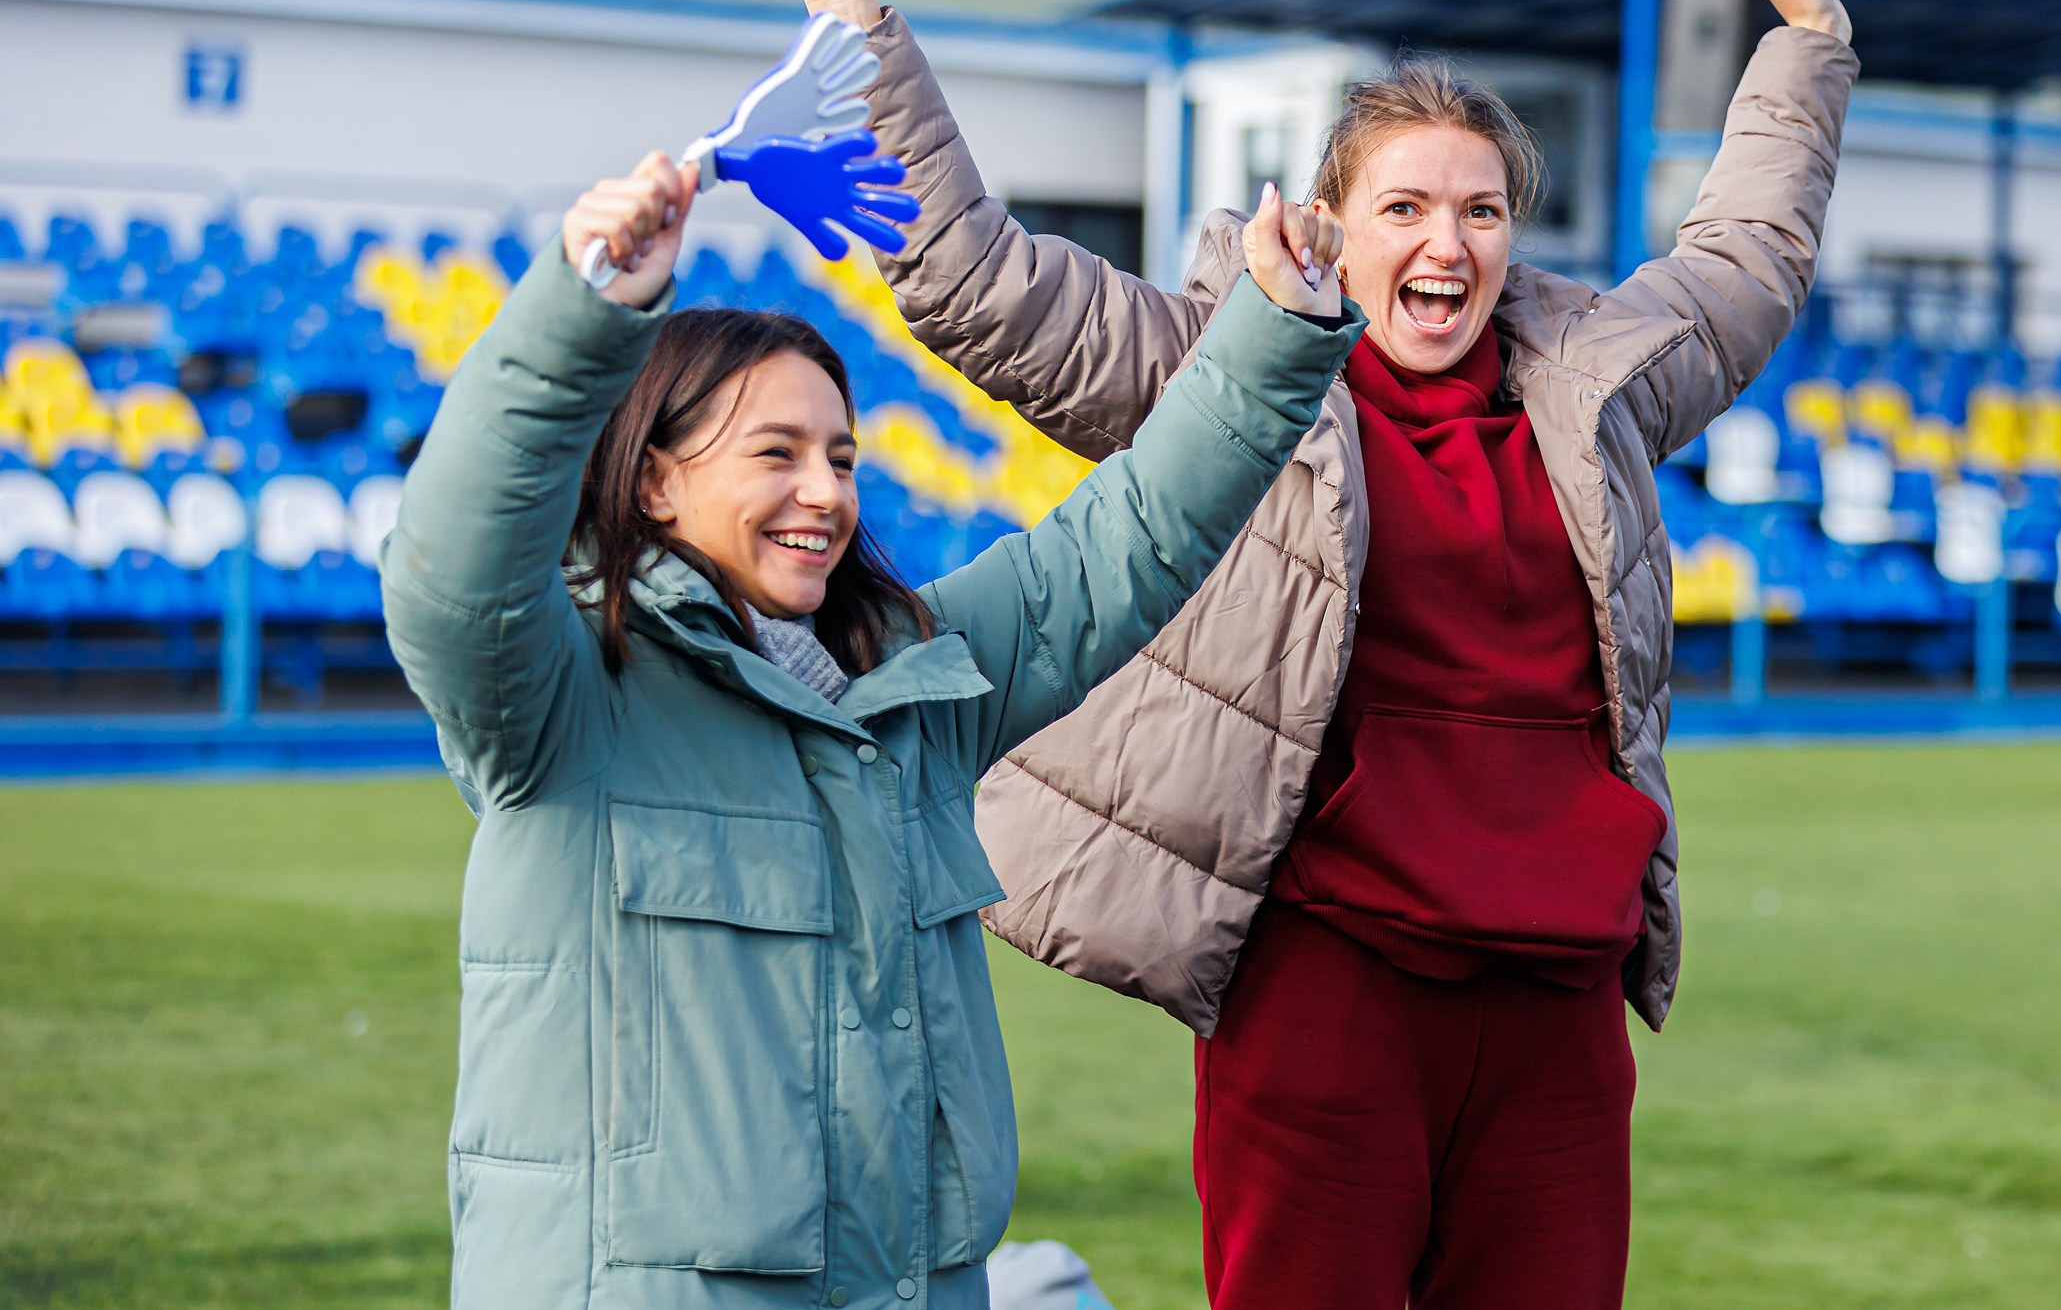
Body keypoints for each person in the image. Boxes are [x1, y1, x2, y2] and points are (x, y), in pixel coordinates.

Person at [778, 0, 1856, 1310]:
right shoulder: (1228, 370)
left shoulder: (1597, 383)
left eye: (1481, 210)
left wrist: (1805, 45)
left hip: (1555, 1002)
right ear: (1335, 225)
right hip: (1325, 986)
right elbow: (980, 278)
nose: (1445, 242)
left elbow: (1749, 257)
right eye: (1405, 206)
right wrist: (856, 23)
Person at [380, 144, 1358, 1310]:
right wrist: (580, 314)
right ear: (652, 484)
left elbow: (1130, 536)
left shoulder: (919, 679)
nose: (826, 491)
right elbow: (454, 574)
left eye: (840, 457)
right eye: (776, 453)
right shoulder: (568, 691)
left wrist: (1273, 327)